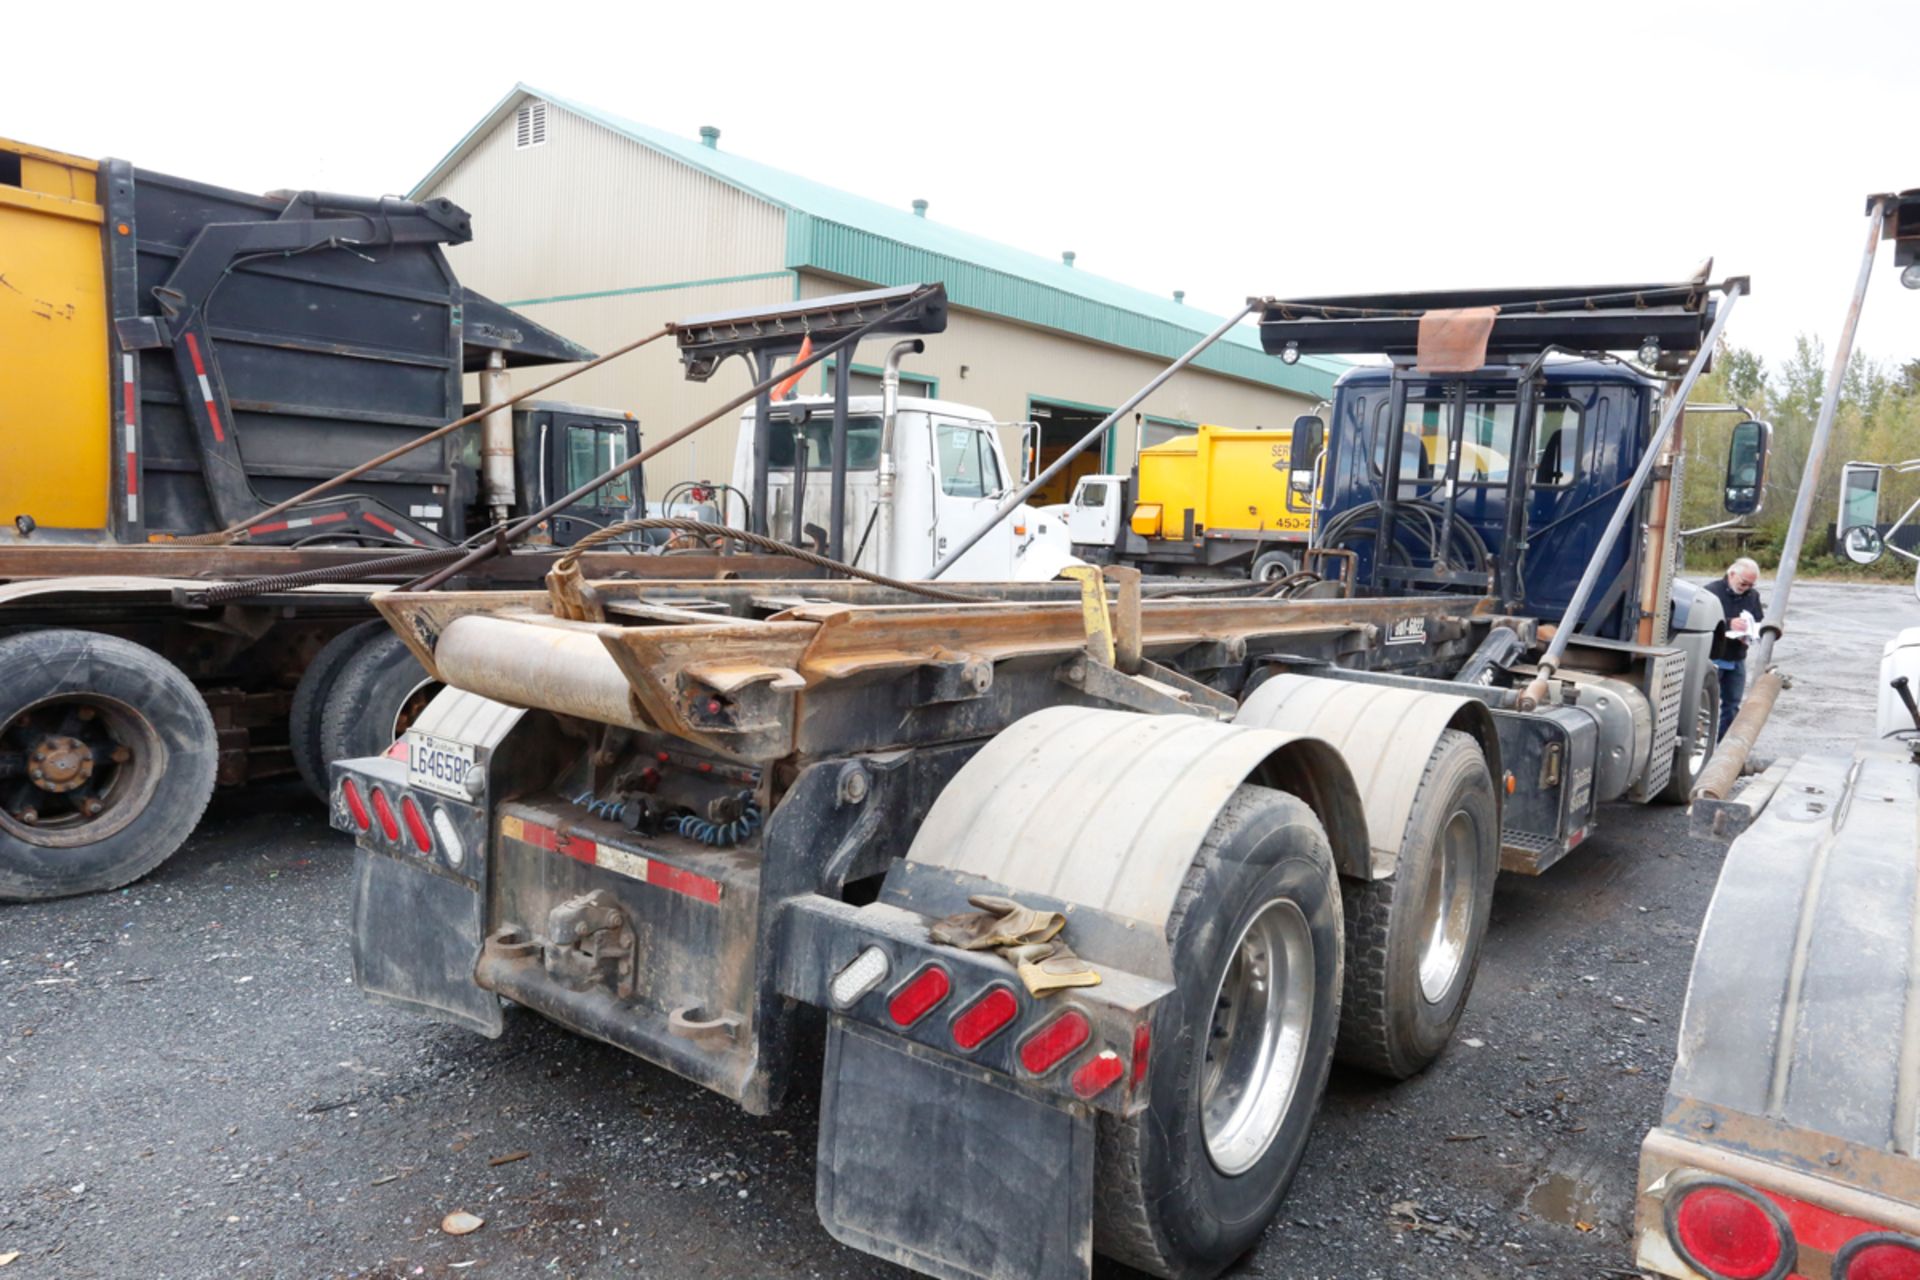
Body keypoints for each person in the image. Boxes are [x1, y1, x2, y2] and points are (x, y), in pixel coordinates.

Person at [1703, 557, 1764, 738]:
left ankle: (1723, 746)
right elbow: (1703, 622)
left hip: (1737, 656)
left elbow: (1758, 619)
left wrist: (1752, 633)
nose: (1746, 588)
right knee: (1706, 704)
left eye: (1750, 585)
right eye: (1743, 583)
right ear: (1731, 574)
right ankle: (1703, 745)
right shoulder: (1710, 593)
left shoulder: (1753, 596)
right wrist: (1729, 623)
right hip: (1714, 656)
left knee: (1732, 704)